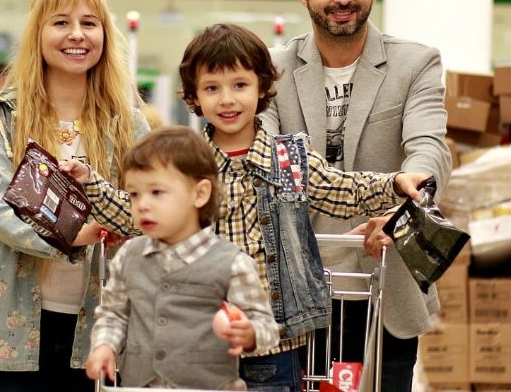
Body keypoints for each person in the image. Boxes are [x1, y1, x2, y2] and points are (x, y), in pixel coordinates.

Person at [64, 23, 431, 391]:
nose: (227, 100)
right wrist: (91, 185)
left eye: (239, 85)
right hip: (199, 345)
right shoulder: (188, 164)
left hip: (276, 342)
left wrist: (395, 183)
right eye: (212, 88)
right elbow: (139, 216)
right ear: (193, 97)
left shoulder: (288, 158)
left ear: (262, 88)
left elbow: (343, 190)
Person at [260, 0, 453, 392]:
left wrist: (404, 207)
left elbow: (428, 147)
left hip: (385, 282)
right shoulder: (269, 69)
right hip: (290, 289)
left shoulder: (416, 63)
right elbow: (261, 154)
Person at [0, 0, 149, 392]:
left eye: (90, 23)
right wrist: (76, 234)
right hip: (8, 327)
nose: (77, 34)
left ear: (105, 36)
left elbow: (152, 203)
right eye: (61, 22)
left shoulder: (127, 123)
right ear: (38, 32)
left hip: (99, 328)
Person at [80, 126, 280, 390]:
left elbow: (267, 327)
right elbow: (114, 314)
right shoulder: (129, 255)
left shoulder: (232, 263)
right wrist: (104, 345)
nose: (142, 205)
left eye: (157, 192)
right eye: (134, 194)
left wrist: (252, 334)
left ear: (199, 194)